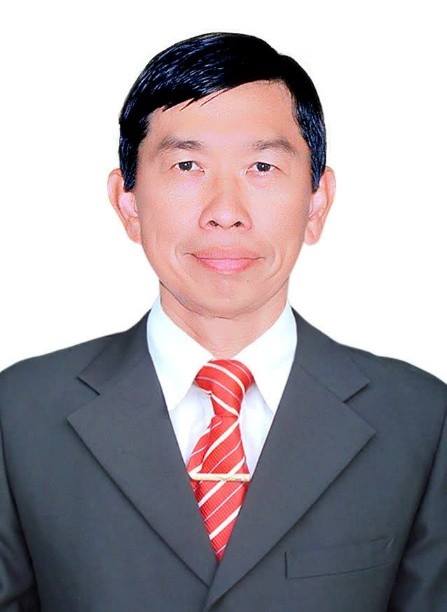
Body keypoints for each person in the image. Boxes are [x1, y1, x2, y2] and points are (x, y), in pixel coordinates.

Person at [0, 31, 445, 612]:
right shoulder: (18, 414)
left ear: (317, 203)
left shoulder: (420, 418)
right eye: (187, 165)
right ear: (127, 202)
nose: (226, 213)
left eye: (262, 166)